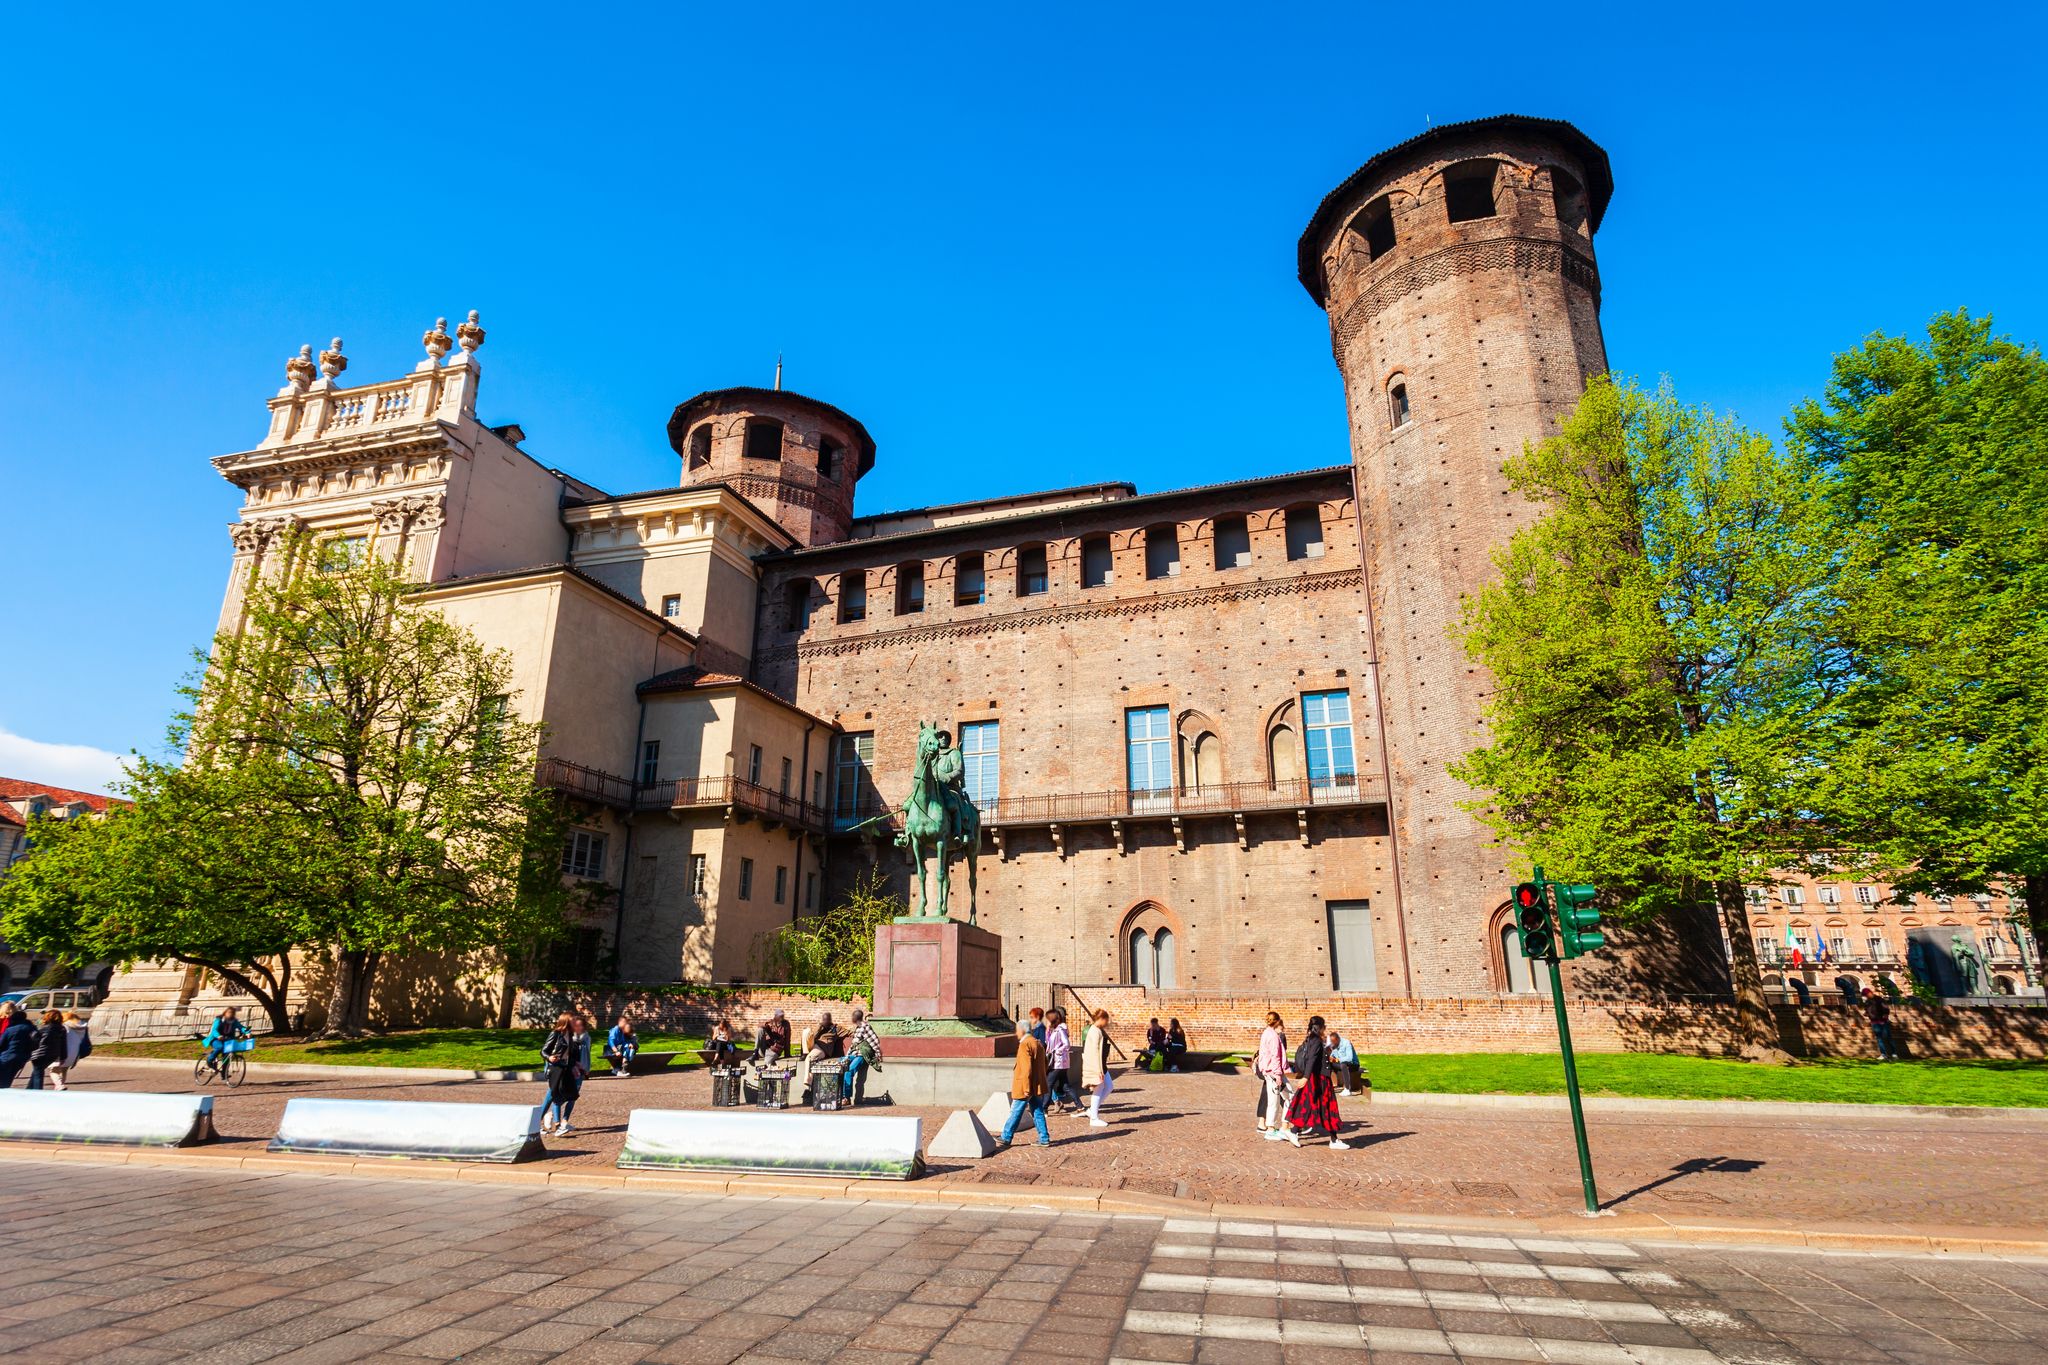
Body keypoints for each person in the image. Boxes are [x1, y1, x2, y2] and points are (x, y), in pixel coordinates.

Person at [1282, 1015, 1351, 1149]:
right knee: (1322, 1106)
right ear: (1320, 1027)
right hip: (1318, 1079)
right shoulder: (1316, 1040)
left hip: (1318, 1078)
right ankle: (1296, 1132)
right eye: (1324, 1026)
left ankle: (1298, 1132)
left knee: (1316, 1106)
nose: (1325, 1029)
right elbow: (1312, 1060)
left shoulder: (1313, 1039)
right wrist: (1306, 1077)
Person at [998, 1017, 1053, 1147]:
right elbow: (1045, 1064)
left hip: (1025, 1086)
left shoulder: (1024, 1044)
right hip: (1036, 1085)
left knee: (1016, 1110)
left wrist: (1026, 1086)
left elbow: (1026, 1068)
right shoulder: (1037, 1043)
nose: (1016, 1033)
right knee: (1038, 1110)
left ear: (1022, 1030)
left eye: (1017, 1030)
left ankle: (1006, 1136)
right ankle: (1044, 1138)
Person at [539, 1012, 591, 1135]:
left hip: (565, 1068)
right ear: (567, 1021)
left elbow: (572, 1054)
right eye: (573, 1021)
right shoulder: (556, 1034)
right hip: (555, 1067)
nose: (575, 1023)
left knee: (570, 1094)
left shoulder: (571, 1035)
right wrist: (549, 1057)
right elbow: (543, 1050)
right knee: (553, 1094)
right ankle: (543, 1122)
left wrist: (578, 1065)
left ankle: (559, 1124)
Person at [1255, 1011, 1289, 1138]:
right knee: (1284, 1098)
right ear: (1277, 1021)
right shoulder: (1274, 1036)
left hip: (1269, 1071)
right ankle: (1277, 1127)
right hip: (1274, 1072)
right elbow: (1275, 1056)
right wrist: (1278, 1074)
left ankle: (1272, 1127)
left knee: (1277, 1099)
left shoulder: (1266, 1033)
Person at [1081, 1008, 1115, 1128]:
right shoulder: (1095, 1031)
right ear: (1101, 1019)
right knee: (1099, 1089)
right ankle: (1094, 1117)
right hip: (1097, 1065)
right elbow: (1094, 1052)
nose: (1107, 1023)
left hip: (1100, 1065)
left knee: (1109, 1086)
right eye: (1106, 1020)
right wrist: (1098, 1070)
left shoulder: (1096, 1030)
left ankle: (1092, 1111)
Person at [843, 1008, 882, 1105]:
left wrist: (877, 1054)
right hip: (854, 1054)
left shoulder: (865, 1027)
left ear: (855, 1017)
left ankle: (847, 1098)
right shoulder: (857, 1028)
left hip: (862, 1055)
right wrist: (847, 1056)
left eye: (852, 1016)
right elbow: (853, 1045)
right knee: (840, 1064)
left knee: (849, 1071)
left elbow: (875, 1040)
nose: (851, 1018)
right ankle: (842, 1095)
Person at [200, 1006, 249, 1079]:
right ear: (225, 1013)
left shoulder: (234, 1021)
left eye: (232, 1013)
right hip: (215, 1039)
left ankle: (224, 1074)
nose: (230, 1014)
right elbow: (214, 1030)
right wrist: (218, 1036)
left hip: (227, 1040)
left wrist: (247, 1032)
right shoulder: (219, 1019)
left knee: (227, 1055)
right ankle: (209, 1060)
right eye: (229, 1012)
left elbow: (241, 1027)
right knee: (220, 1047)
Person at [26, 1010, 66, 1091]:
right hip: (53, 1054)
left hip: (39, 1054)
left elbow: (34, 1038)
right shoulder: (61, 1029)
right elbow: (63, 1044)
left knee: (38, 1072)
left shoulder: (43, 1028)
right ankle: (29, 1089)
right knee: (37, 1071)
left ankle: (37, 1091)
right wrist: (63, 1057)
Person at [0, 1003, 36, 1088]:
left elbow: (2, 1043)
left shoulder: (9, 1026)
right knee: (8, 1079)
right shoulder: (30, 1027)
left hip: (6, 1055)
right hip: (22, 1057)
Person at [52, 1011, 91, 1090]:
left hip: (63, 1051)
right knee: (64, 1070)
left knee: (54, 1070)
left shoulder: (64, 1026)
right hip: (75, 1052)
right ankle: (61, 1085)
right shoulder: (83, 1027)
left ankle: (59, 1085)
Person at [1045, 1008, 1074, 1113]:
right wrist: (1047, 1031)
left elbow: (1066, 1044)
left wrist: (1058, 1051)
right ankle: (1080, 1107)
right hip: (1055, 1060)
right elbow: (1048, 1042)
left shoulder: (1060, 1029)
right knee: (1065, 1085)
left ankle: (1044, 1108)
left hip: (1058, 1061)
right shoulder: (1054, 1029)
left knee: (1049, 1083)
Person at [1863, 988, 1897, 1061]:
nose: (1867, 996)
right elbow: (1867, 1010)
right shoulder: (1867, 1002)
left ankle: (1894, 1054)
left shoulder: (1879, 999)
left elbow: (1885, 1008)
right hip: (1874, 1022)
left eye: (1867, 994)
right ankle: (1883, 1054)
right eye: (1866, 995)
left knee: (1888, 1037)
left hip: (1882, 1021)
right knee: (1879, 1039)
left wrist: (1885, 1014)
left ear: (1870, 993)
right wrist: (1867, 1014)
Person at [1327, 1029, 1361, 1094]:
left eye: (1333, 1042)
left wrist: (1337, 1060)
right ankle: (1328, 1086)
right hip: (1342, 1064)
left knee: (1343, 1064)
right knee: (1328, 1063)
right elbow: (1332, 1057)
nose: (1331, 1044)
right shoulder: (1334, 1045)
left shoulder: (1346, 1043)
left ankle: (1347, 1089)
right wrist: (1330, 1058)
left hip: (1353, 1064)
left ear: (1337, 1040)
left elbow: (1349, 1058)